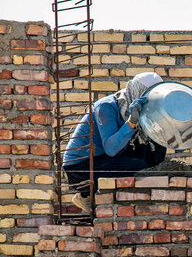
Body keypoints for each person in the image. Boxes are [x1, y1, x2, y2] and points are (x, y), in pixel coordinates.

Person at [62, 72, 166, 212]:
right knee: (138, 166)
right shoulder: (106, 107)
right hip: (81, 167)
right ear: (138, 92)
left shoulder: (142, 111)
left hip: (108, 157)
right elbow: (111, 148)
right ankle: (86, 195)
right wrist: (132, 121)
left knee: (155, 149)